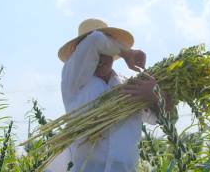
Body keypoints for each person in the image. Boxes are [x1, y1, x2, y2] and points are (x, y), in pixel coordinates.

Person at [49, 18, 160, 172]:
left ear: (112, 53)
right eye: (93, 54)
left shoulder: (129, 85)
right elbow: (95, 39)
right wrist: (127, 52)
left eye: (104, 53)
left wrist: (153, 99)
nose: (99, 59)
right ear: (81, 54)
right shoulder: (74, 81)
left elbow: (158, 119)